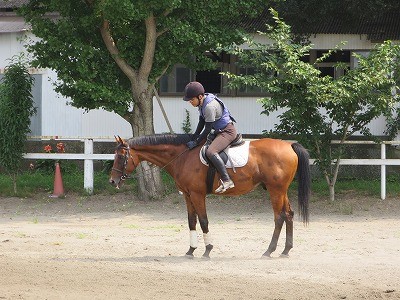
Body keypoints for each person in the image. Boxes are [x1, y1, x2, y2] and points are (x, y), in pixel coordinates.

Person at [183, 81, 237, 193]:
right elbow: (201, 121)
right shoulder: (202, 103)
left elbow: (207, 129)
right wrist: (195, 136)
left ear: (200, 96)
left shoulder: (209, 107)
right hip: (218, 131)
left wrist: (196, 142)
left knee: (211, 152)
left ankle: (227, 180)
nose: (190, 102)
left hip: (227, 132)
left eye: (191, 100)